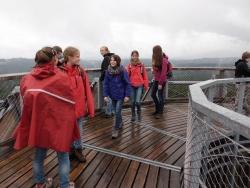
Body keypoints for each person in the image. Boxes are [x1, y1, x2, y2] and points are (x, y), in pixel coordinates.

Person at [13, 47, 78, 188]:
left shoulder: (27, 79)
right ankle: (65, 185)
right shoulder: (61, 77)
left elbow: (28, 102)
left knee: (39, 156)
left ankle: (40, 184)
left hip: (39, 125)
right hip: (59, 124)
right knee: (63, 156)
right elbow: (70, 102)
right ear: (54, 59)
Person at [61, 46, 95, 162]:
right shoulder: (60, 71)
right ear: (69, 57)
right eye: (77, 56)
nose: (79, 59)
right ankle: (71, 149)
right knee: (68, 130)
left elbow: (87, 90)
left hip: (79, 107)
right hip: (66, 109)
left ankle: (78, 150)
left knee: (79, 129)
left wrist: (90, 108)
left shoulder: (80, 70)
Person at [103, 54, 131, 138]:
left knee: (117, 112)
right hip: (112, 95)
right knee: (116, 111)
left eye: (114, 60)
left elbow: (127, 84)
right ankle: (120, 122)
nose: (112, 62)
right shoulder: (108, 71)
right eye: (111, 60)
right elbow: (106, 84)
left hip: (121, 95)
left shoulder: (122, 71)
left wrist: (127, 95)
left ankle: (115, 129)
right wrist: (105, 95)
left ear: (117, 61)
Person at [127, 50, 149, 122]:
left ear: (138, 56)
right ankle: (133, 115)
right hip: (132, 85)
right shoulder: (129, 65)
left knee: (138, 102)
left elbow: (145, 76)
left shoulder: (141, 65)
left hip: (140, 85)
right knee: (132, 102)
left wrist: (146, 85)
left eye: (136, 55)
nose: (134, 57)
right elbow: (126, 76)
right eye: (133, 55)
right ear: (131, 56)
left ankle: (139, 113)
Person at [151, 45, 169, 119]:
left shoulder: (164, 60)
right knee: (153, 94)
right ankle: (158, 109)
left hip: (161, 81)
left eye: (154, 51)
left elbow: (163, 73)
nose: (153, 53)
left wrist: (160, 84)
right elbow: (157, 71)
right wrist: (153, 73)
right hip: (156, 79)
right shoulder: (156, 59)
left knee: (160, 96)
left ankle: (160, 112)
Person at [100, 46, 114, 118]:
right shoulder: (112, 57)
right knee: (111, 96)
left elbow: (105, 70)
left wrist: (101, 78)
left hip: (106, 79)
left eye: (102, 50)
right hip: (112, 79)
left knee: (107, 96)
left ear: (107, 51)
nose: (101, 52)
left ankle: (108, 112)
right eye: (100, 51)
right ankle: (112, 111)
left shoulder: (106, 58)